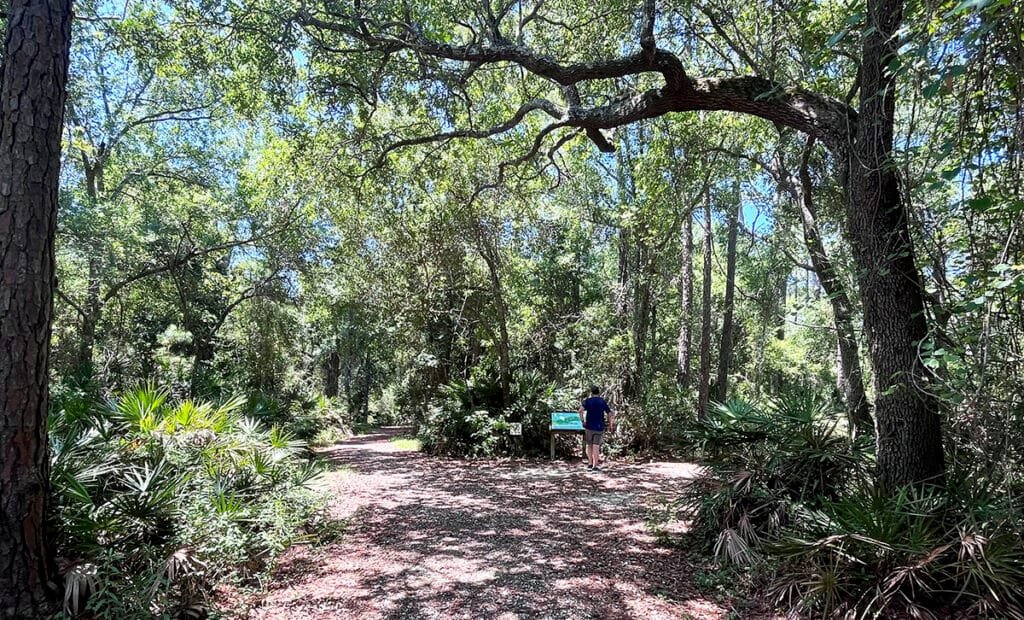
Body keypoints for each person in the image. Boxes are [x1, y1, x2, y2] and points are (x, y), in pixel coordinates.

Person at [578, 385, 614, 470]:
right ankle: (595, 466)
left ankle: (590, 464)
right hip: (599, 427)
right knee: (596, 446)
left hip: (589, 426)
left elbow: (580, 410)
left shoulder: (587, 401)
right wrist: (611, 425)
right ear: (599, 392)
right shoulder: (602, 401)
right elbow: (609, 413)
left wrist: (582, 421)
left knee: (589, 445)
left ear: (591, 392)